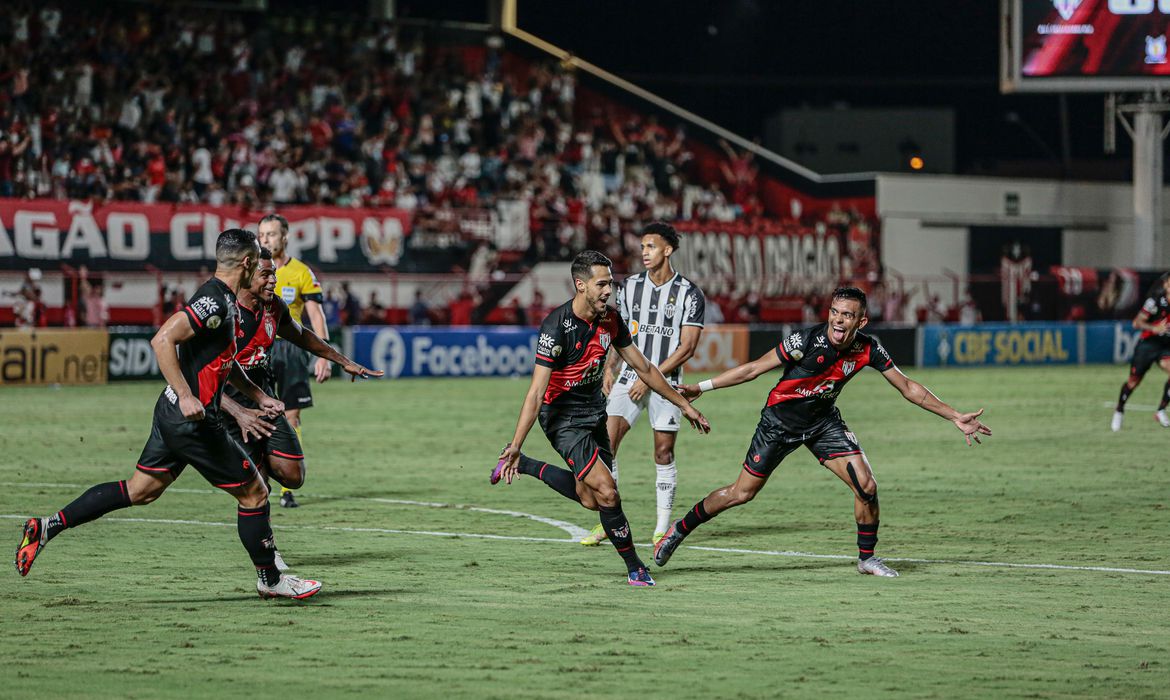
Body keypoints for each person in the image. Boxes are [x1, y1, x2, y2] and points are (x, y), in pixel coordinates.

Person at [15, 229, 323, 599]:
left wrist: (255, 393)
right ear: (246, 263)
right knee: (255, 494)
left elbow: (221, 361)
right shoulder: (215, 300)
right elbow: (162, 339)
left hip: (171, 415)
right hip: (193, 422)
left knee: (140, 490)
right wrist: (186, 394)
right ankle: (271, 580)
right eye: (258, 258)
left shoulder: (225, 300)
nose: (263, 265)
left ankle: (47, 526)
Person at [653, 287, 992, 578]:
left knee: (867, 485)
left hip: (823, 423)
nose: (838, 320)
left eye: (847, 315)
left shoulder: (868, 348)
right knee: (741, 493)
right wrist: (702, 386)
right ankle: (679, 529)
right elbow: (754, 368)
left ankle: (867, 558)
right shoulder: (805, 340)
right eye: (835, 312)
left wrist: (953, 416)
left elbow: (908, 387)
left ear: (861, 322)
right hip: (779, 423)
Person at [490, 250, 711, 587]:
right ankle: (635, 567)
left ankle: (529, 467)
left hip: (594, 412)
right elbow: (536, 393)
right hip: (562, 419)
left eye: (611, 283)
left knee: (590, 498)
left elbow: (644, 368)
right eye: (602, 284)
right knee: (608, 493)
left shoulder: (611, 319)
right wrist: (516, 444)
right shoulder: (556, 327)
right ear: (581, 285)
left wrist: (683, 404)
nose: (609, 290)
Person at [220, 250, 382, 564]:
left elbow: (302, 335)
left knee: (294, 474)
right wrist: (234, 410)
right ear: (246, 273)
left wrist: (342, 361)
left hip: (262, 397)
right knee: (256, 489)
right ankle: (268, 558)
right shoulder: (223, 311)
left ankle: (261, 479)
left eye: (274, 274)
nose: (273, 281)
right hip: (227, 406)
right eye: (266, 275)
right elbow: (198, 367)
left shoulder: (273, 307)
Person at [582, 222, 705, 547]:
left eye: (650, 246)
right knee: (605, 445)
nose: (644, 253)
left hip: (666, 381)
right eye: (642, 247)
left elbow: (688, 347)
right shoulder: (629, 287)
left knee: (663, 453)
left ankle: (661, 527)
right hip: (627, 378)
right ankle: (610, 521)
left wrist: (649, 379)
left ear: (668, 249)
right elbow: (615, 332)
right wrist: (610, 368)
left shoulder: (690, 293)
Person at [257, 213, 331, 509]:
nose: (265, 239)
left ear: (285, 237)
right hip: (258, 349)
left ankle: (287, 487)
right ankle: (258, 479)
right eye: (262, 234)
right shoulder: (250, 268)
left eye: (271, 234)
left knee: (291, 416)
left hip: (289, 351)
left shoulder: (301, 272)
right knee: (254, 416)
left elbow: (315, 314)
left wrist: (323, 354)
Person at [1111, 273, 1170, 431]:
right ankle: (1119, 410)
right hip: (1148, 344)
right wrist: (1155, 328)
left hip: (1166, 345)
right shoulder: (1155, 301)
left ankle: (1161, 410)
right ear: (1166, 285)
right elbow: (1137, 322)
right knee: (1133, 382)